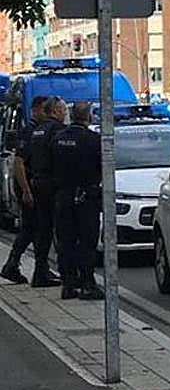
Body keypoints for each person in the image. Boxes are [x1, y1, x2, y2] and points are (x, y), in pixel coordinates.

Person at [51, 101, 103, 301]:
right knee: (87, 242)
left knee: (65, 242)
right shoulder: (93, 140)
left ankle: (68, 285)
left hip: (63, 195)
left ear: (71, 115)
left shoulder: (58, 139)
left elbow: (49, 164)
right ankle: (87, 284)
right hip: (86, 196)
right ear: (88, 116)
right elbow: (103, 168)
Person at [1, 96, 53, 284]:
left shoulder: (39, 130)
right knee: (32, 228)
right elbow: (19, 162)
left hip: (33, 185)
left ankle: (36, 268)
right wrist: (26, 190)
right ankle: (13, 265)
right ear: (36, 110)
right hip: (29, 185)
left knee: (36, 228)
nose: (46, 114)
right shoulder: (29, 131)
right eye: (44, 110)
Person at [23, 97, 67, 288]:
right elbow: (62, 158)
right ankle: (66, 274)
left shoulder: (37, 131)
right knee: (61, 231)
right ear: (55, 111)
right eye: (63, 110)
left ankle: (40, 272)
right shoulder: (58, 130)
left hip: (38, 183)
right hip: (53, 185)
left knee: (43, 231)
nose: (65, 114)